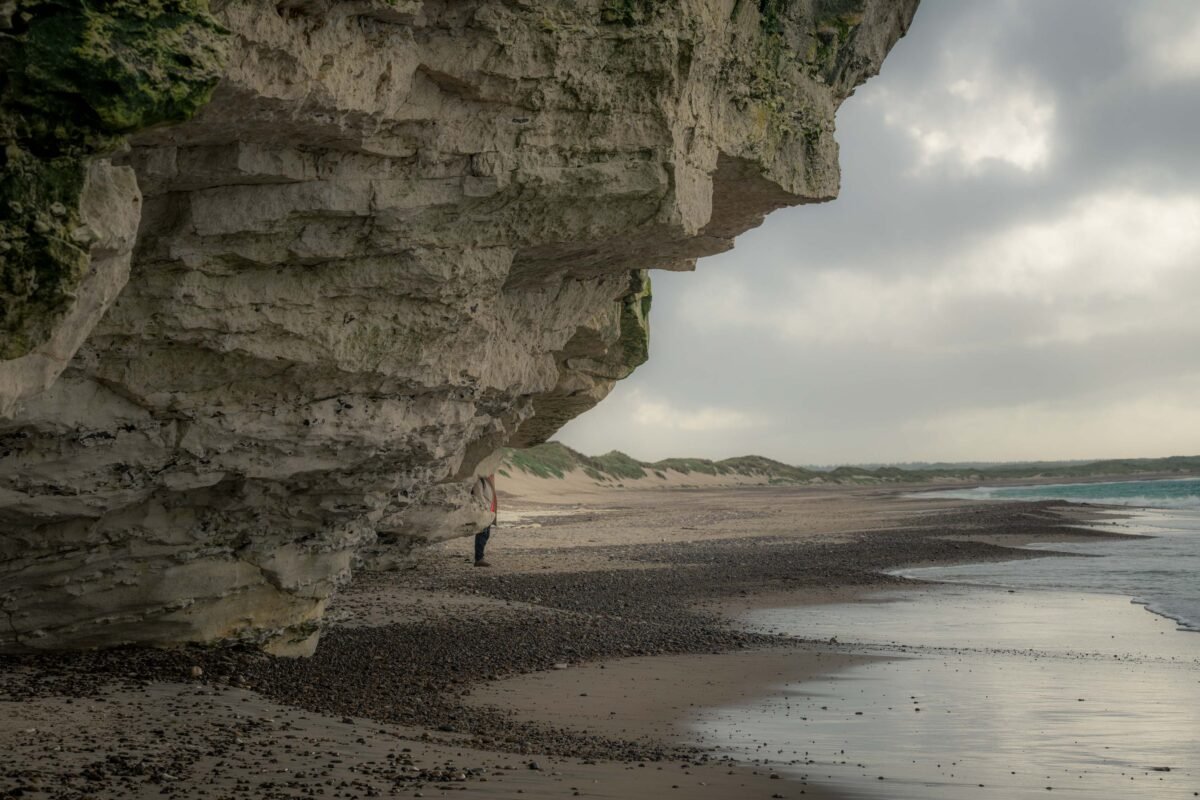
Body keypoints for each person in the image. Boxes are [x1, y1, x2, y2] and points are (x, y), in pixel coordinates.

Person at [472, 473, 497, 567]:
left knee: (486, 535)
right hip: (483, 511)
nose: (493, 475)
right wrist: (485, 509)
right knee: (482, 535)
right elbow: (478, 495)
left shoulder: (488, 481)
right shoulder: (480, 480)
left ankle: (480, 557)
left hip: (488, 512)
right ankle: (479, 559)